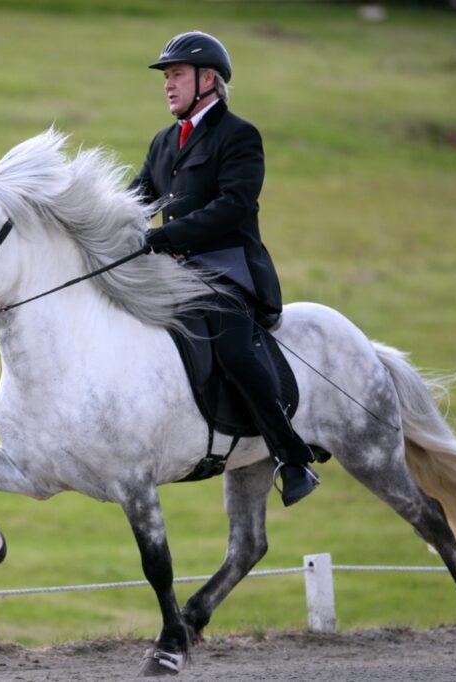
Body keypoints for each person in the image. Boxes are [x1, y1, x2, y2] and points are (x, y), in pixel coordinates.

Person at [130, 31, 319, 506]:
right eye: (166, 77)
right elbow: (136, 200)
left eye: (176, 75)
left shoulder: (238, 135)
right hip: (176, 271)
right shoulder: (164, 141)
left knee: (233, 351)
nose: (168, 85)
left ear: (207, 79)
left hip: (228, 269)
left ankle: (292, 459)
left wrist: (164, 237)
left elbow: (233, 207)